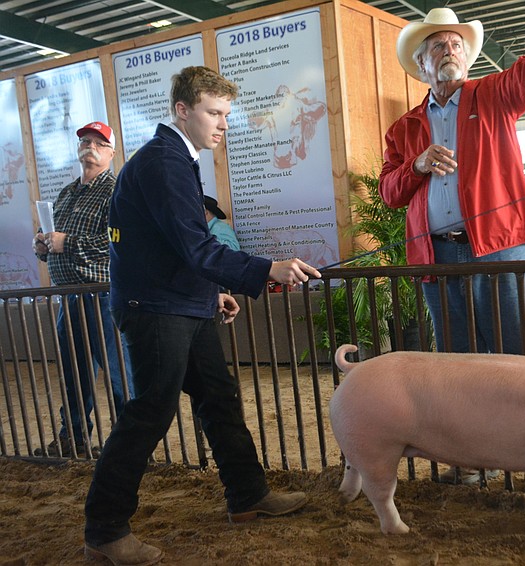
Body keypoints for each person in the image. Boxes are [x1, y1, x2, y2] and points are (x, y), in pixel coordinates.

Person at [83, 66, 322, 565]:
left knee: (218, 397)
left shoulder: (176, 159)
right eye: (214, 113)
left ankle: (247, 495)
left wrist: (210, 292)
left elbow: (172, 247)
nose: (223, 124)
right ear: (182, 110)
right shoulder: (164, 162)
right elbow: (194, 245)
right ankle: (104, 530)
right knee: (148, 411)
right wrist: (268, 268)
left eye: (226, 114)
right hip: (155, 310)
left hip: (181, 304)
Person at [379, 1, 525, 485]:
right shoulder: (404, 129)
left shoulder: (495, 94)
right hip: (438, 255)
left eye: (455, 43)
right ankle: (474, 461)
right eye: (438, 45)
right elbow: (390, 193)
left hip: (502, 247)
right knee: (459, 368)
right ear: (421, 64)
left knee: (519, 362)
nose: (448, 49)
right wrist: (416, 165)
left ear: (467, 57)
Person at [32, 121, 134, 458]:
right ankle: (73, 437)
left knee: (117, 371)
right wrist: (44, 246)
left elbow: (118, 241)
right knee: (74, 373)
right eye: (85, 141)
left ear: (111, 152)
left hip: (103, 293)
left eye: (98, 142)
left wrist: (67, 242)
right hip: (70, 294)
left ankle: (129, 443)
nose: (89, 146)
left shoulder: (117, 191)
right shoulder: (66, 193)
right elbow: (56, 242)